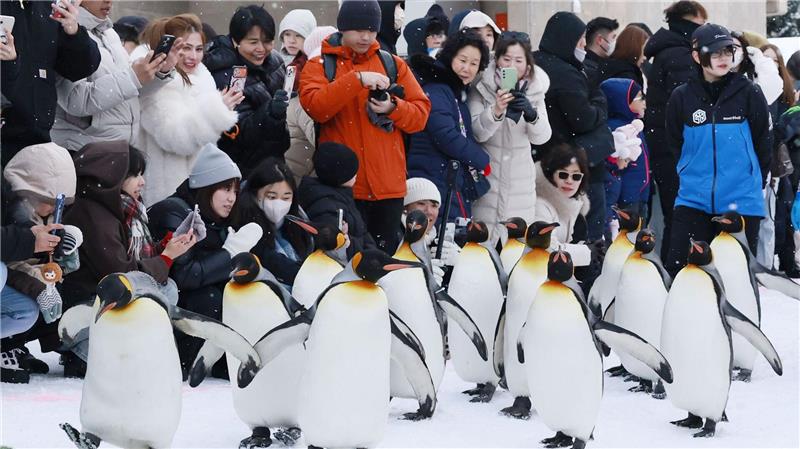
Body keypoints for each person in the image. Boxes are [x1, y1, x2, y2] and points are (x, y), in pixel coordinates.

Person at [299, 0, 430, 254]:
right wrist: (356, 80)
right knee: (343, 261)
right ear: (343, 28)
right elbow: (316, 106)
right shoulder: (320, 65)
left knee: (384, 264)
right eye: (359, 29)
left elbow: (421, 116)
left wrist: (393, 107)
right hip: (342, 187)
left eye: (371, 30)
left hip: (388, 189)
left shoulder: (393, 64)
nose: (366, 36)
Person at [61, 141, 195, 376]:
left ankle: (123, 351)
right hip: (86, 304)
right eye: (134, 175)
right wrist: (165, 258)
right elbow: (121, 276)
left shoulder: (118, 208)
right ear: (111, 176)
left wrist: (166, 247)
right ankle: (85, 350)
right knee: (165, 290)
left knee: (166, 289)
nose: (142, 182)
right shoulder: (94, 215)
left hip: (97, 305)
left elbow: (129, 258)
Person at [664, 24, 771, 276]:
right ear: (696, 56)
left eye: (727, 51)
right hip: (693, 200)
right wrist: (691, 172)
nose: (724, 58)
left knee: (737, 280)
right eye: (715, 52)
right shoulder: (682, 97)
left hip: (741, 203)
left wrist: (751, 182)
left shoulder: (749, 93)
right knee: (685, 275)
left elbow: (763, 144)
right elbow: (675, 144)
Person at [148, 143, 262, 377]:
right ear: (205, 187)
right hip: (162, 305)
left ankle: (228, 360)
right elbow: (185, 276)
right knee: (208, 298)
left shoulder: (214, 217)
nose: (231, 198)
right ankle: (185, 360)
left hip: (181, 301)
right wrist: (230, 252)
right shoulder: (175, 213)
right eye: (225, 190)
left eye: (234, 191)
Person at [50, 0, 183, 152]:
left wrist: (159, 70)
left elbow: (128, 93)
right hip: (85, 153)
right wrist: (133, 78)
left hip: (120, 152)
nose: (109, 1)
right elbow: (76, 101)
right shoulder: (66, 34)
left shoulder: (109, 33)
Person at [136, 14, 242, 206]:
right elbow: (175, 138)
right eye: (186, 48)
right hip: (165, 190)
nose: (193, 56)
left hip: (198, 185)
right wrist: (216, 112)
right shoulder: (157, 84)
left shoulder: (203, 77)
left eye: (199, 49)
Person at [1, 143, 82, 384]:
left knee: (24, 311)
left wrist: (60, 245)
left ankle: (9, 344)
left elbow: (22, 241)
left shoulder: (15, 206)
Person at [533, 11, 615, 243]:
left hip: (541, 161)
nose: (583, 47)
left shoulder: (535, 63)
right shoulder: (567, 73)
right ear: (567, 40)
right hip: (574, 162)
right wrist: (598, 98)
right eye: (580, 41)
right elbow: (584, 118)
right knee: (586, 230)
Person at [469, 32, 552, 246]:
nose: (512, 66)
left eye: (518, 60)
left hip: (520, 184)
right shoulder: (482, 87)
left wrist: (531, 115)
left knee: (516, 248)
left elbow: (542, 137)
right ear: (497, 60)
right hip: (488, 179)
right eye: (506, 59)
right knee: (484, 248)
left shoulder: (534, 91)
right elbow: (478, 132)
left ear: (528, 64)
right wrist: (496, 110)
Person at [643, 0, 707, 260]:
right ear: (690, 23)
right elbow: (688, 104)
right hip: (676, 149)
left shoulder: (668, 51)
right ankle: (678, 267)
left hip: (665, 146)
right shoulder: (680, 54)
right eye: (702, 25)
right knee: (683, 215)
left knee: (676, 212)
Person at [0, 0, 101, 166]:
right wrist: (9, 63)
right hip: (6, 132)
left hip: (38, 138)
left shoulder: (47, 7)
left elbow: (80, 68)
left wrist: (74, 32)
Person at [406, 29, 491, 225]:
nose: (467, 68)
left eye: (473, 64)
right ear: (450, 56)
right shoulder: (437, 89)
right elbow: (445, 135)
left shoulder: (454, 91)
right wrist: (481, 160)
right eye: (462, 60)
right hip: (434, 178)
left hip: (446, 178)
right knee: (440, 240)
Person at [204, 5, 289, 175]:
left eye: (267, 41)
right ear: (236, 41)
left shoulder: (276, 62)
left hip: (275, 164)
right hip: (241, 172)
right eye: (253, 42)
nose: (261, 49)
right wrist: (271, 112)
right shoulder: (223, 74)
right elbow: (238, 133)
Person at [238, 158, 313, 289]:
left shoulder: (297, 222)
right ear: (256, 195)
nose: (279, 204)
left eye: (286, 197)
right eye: (271, 197)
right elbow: (269, 260)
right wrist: (309, 276)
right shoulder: (244, 223)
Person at [297, 142, 376, 259]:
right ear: (340, 175)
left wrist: (372, 253)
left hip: (358, 257)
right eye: (352, 172)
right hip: (346, 266)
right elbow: (332, 246)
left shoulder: (338, 195)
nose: (356, 175)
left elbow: (361, 233)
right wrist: (366, 256)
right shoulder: (327, 205)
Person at [283, 26, 338, 184]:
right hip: (304, 178)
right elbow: (324, 139)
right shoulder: (306, 94)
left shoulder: (301, 82)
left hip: (302, 174)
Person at [534, 144, 599, 274]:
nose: (569, 181)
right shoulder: (540, 206)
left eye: (576, 176)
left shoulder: (573, 206)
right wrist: (586, 253)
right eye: (563, 175)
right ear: (551, 175)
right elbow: (545, 249)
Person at [600, 78, 649, 236]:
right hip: (626, 199)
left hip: (637, 195)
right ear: (622, 102)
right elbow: (616, 167)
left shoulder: (633, 124)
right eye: (640, 98)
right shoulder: (617, 130)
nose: (644, 102)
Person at [583, 16, 620, 87]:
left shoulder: (605, 65)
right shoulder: (591, 70)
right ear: (600, 40)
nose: (616, 42)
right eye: (613, 37)